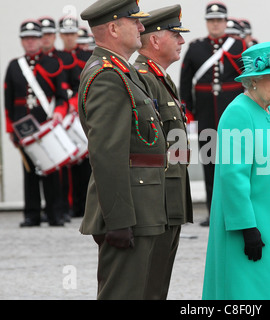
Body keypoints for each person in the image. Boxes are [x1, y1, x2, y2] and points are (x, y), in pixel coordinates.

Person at [78, 0, 168, 299]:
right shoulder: (107, 76)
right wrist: (119, 221)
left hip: (141, 205)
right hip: (129, 211)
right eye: (136, 22)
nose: (143, 28)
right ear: (114, 28)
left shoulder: (120, 72)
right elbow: (107, 154)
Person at [202, 41, 270, 300]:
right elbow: (232, 177)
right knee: (249, 293)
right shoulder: (239, 112)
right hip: (253, 225)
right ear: (255, 81)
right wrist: (247, 228)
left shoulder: (265, 110)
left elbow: (268, 158)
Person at [133, 4, 193, 299]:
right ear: (155, 39)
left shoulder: (160, 77)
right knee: (147, 285)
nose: (182, 41)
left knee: (158, 285)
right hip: (154, 200)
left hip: (169, 197)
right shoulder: (141, 76)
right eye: (176, 34)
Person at [180, 1, 246, 226]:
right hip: (207, 115)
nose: (215, 24)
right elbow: (185, 84)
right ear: (207, 23)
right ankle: (214, 212)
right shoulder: (196, 47)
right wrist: (188, 115)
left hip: (234, 116)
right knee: (210, 163)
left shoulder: (238, 46)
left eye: (218, 20)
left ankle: (237, 210)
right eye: (211, 20)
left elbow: (248, 82)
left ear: (225, 22)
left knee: (235, 164)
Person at [4, 19, 68, 227]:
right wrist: (10, 129)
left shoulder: (53, 64)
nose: (30, 42)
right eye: (26, 39)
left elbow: (61, 96)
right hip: (23, 125)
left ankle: (55, 214)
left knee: (51, 169)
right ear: (22, 42)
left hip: (46, 124)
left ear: (41, 40)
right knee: (29, 170)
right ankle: (31, 214)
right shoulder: (14, 66)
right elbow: (8, 101)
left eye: (34, 38)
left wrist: (59, 113)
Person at [59, 16, 93, 219]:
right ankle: (67, 206)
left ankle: (83, 206)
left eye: (72, 34)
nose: (70, 38)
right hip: (63, 116)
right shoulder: (56, 59)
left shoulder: (87, 57)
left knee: (85, 163)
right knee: (65, 164)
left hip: (83, 114)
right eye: (66, 34)